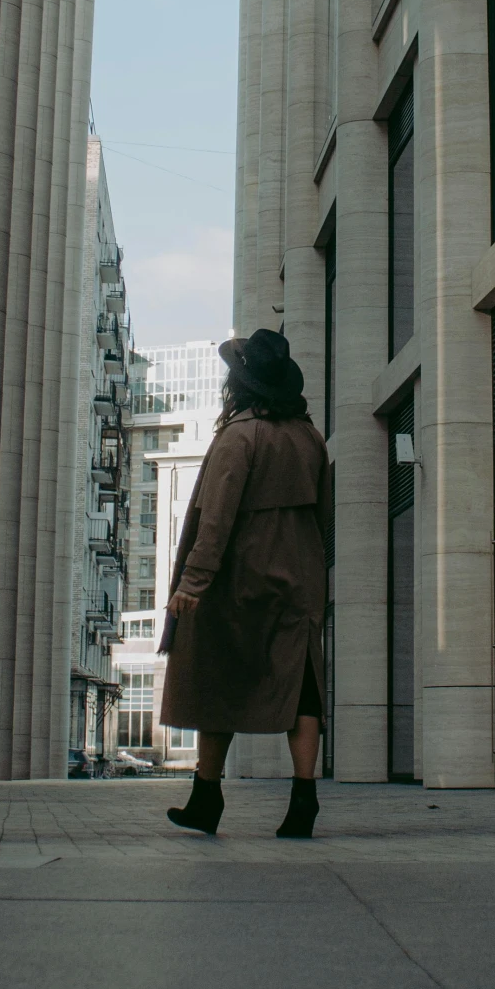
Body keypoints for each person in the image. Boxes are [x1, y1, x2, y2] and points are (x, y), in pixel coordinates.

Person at [159, 329, 332, 839]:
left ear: (240, 384)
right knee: (302, 689)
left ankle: (206, 798)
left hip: (238, 581)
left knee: (219, 681)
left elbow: (215, 520)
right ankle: (304, 800)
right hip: (298, 579)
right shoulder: (310, 438)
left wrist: (192, 583)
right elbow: (324, 518)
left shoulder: (238, 437)